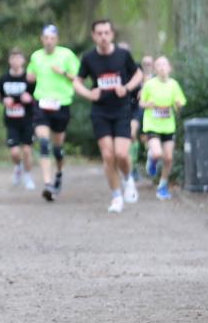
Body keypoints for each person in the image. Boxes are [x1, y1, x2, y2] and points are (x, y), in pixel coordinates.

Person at [73, 19, 143, 213]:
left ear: (112, 34)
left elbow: (138, 74)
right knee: (108, 155)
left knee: (121, 154)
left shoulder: (123, 55)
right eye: (99, 33)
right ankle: (116, 197)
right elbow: (77, 82)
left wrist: (127, 88)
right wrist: (89, 94)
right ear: (93, 36)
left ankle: (128, 179)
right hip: (100, 111)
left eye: (106, 33)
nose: (103, 37)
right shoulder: (89, 58)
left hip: (121, 110)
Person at [27, 24, 81, 201]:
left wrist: (63, 72)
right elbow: (30, 75)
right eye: (46, 38)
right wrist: (30, 77)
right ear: (41, 39)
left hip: (61, 104)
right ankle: (47, 183)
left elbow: (78, 77)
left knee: (57, 148)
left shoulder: (67, 55)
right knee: (44, 142)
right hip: (41, 103)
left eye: (52, 38)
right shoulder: (36, 56)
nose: (49, 41)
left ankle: (58, 173)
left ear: (57, 40)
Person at [140, 56, 187, 200]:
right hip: (152, 124)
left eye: (164, 64)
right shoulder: (149, 84)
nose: (162, 67)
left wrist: (178, 105)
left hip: (168, 126)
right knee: (157, 153)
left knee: (168, 157)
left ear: (169, 68)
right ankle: (151, 159)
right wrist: (148, 104)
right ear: (155, 69)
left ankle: (162, 185)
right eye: (158, 65)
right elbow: (141, 103)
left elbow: (180, 104)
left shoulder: (174, 85)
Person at [0, 47, 36, 189]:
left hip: (27, 120)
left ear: (23, 61)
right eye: (13, 58)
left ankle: (28, 176)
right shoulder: (4, 78)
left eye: (18, 58)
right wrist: (3, 100)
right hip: (11, 120)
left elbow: (38, 96)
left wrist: (30, 99)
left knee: (27, 150)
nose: (16, 61)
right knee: (14, 152)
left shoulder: (29, 78)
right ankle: (18, 167)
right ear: (9, 60)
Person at [129, 54, 155, 182]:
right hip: (137, 111)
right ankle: (133, 167)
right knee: (132, 135)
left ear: (153, 65)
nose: (147, 66)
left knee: (148, 141)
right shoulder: (135, 78)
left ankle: (150, 162)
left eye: (149, 63)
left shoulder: (157, 79)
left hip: (153, 114)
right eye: (144, 64)